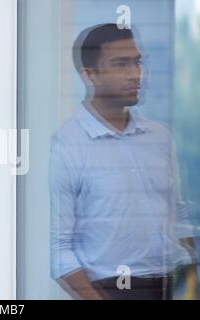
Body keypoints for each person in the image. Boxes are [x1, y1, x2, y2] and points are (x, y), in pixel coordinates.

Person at [49, 23, 198, 300]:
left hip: (173, 285)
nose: (135, 74)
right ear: (89, 75)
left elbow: (178, 214)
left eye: (137, 62)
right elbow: (60, 249)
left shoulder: (161, 137)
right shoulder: (67, 145)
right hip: (110, 288)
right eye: (121, 64)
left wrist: (189, 276)